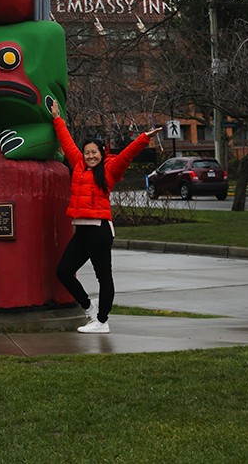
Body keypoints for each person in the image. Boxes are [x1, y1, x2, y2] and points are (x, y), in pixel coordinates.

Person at [46, 97, 162, 333]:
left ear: (101, 153)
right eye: (87, 153)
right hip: (81, 230)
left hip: (99, 230)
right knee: (64, 271)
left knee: (103, 277)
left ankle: (102, 321)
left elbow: (126, 155)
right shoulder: (78, 164)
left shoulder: (109, 170)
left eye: (94, 153)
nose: (90, 156)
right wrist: (57, 119)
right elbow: (67, 142)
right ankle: (90, 309)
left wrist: (143, 138)